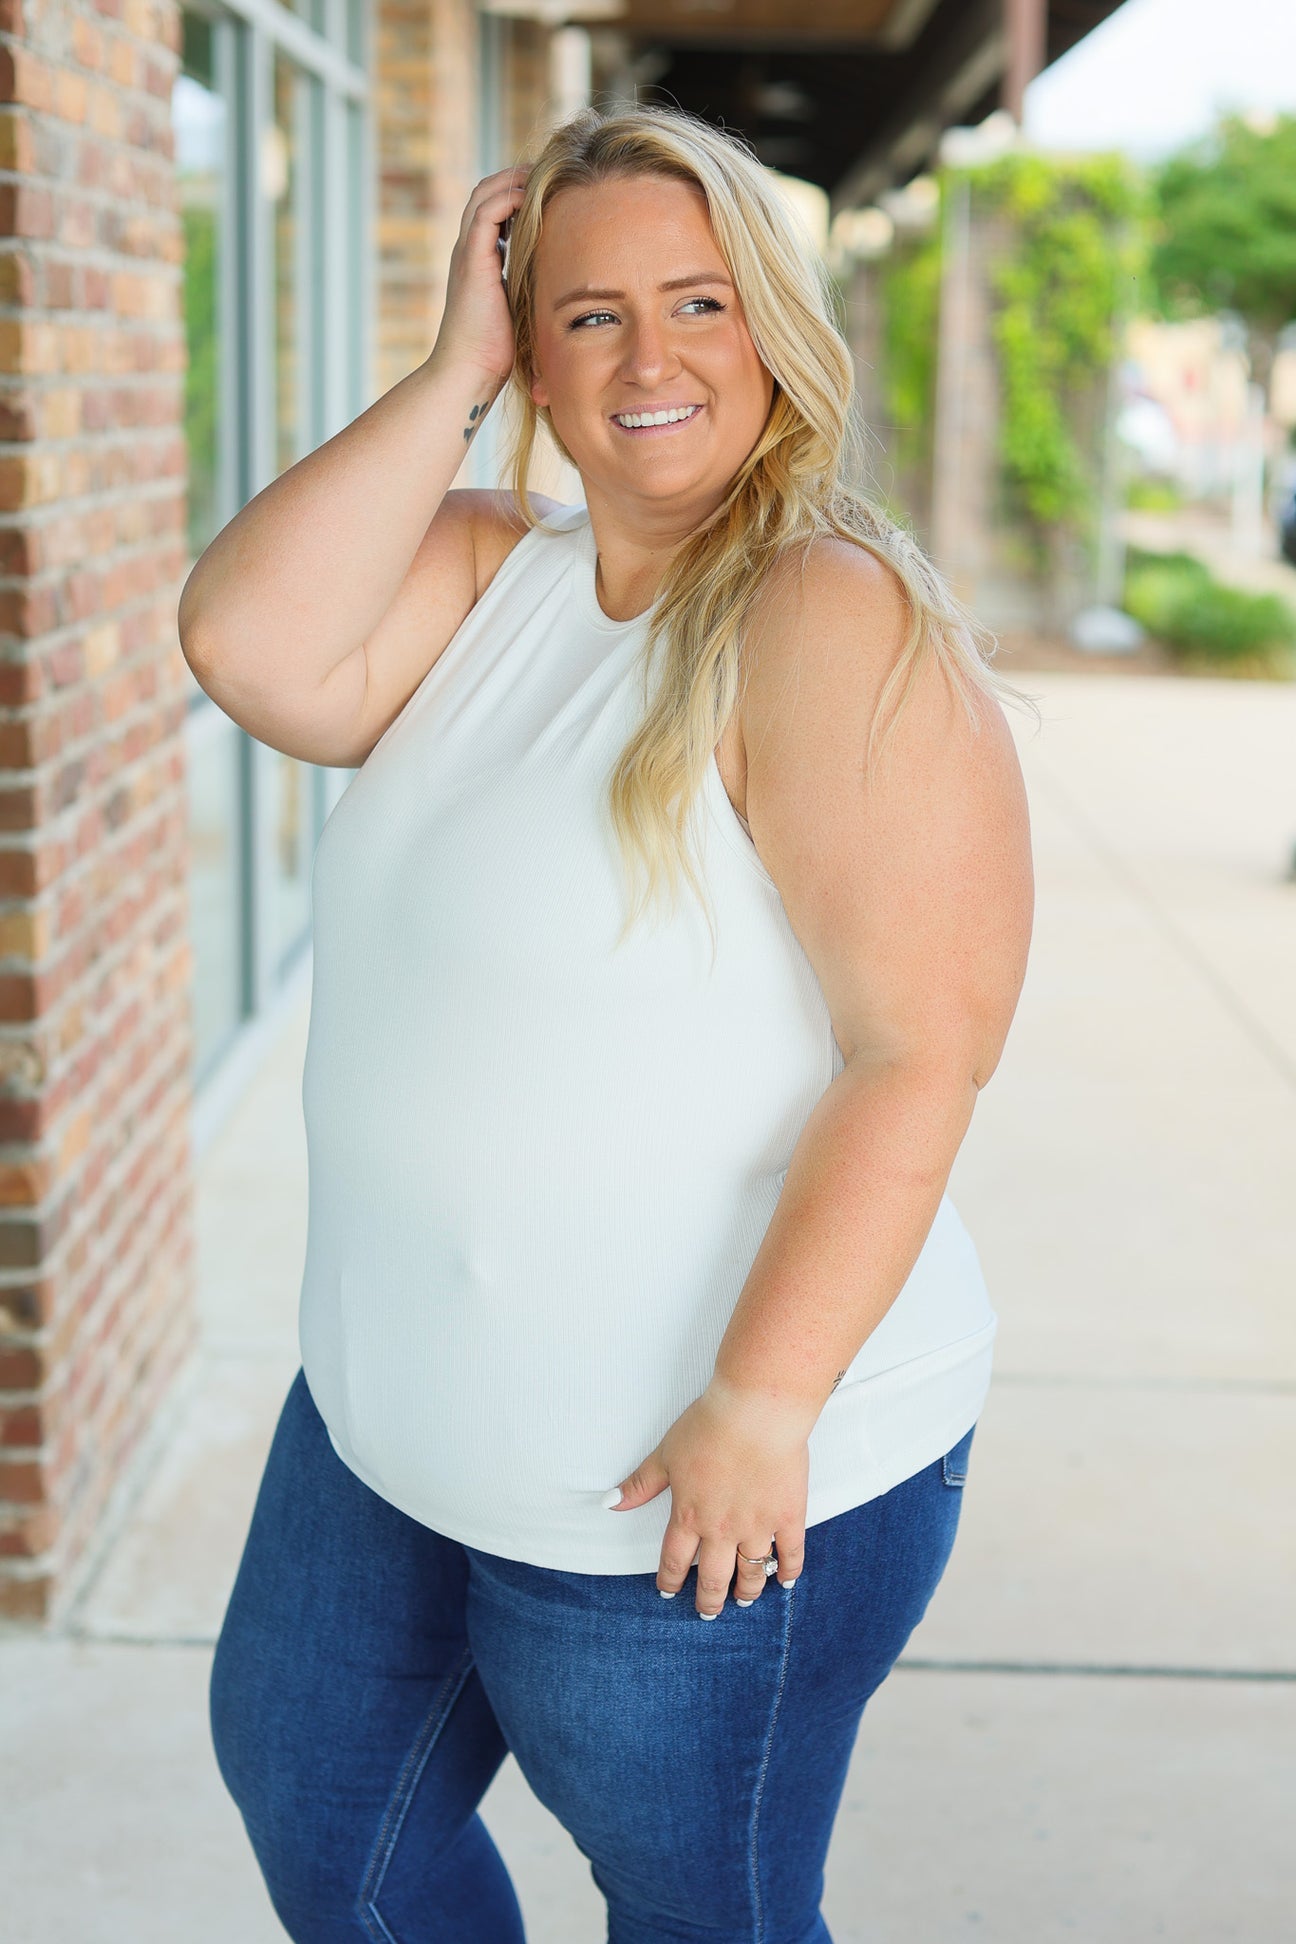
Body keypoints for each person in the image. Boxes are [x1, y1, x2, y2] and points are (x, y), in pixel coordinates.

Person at [183, 102, 1035, 1944]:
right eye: (587, 316)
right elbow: (251, 649)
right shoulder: (501, 574)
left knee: (693, 1911)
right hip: (389, 1427)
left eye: (700, 302)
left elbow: (924, 1048)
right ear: (532, 354)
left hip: (678, 1482)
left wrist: (764, 1398)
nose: (651, 357)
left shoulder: (826, 615)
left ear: (773, 326)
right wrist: (448, 377)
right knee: (322, 1806)